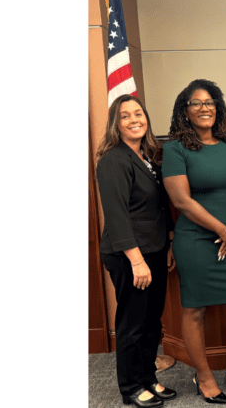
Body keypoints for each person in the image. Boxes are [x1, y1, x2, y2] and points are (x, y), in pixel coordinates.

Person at [162, 79, 226, 404]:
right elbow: (181, 201)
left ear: (218, 108)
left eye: (210, 102)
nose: (204, 108)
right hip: (196, 239)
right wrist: (221, 230)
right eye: (196, 103)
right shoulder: (175, 148)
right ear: (184, 111)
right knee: (194, 311)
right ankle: (204, 376)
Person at [96, 94, 177, 408]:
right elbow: (116, 216)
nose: (134, 120)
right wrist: (137, 261)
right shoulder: (113, 160)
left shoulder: (148, 155)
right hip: (130, 255)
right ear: (116, 123)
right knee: (132, 323)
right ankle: (130, 387)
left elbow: (159, 204)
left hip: (154, 249)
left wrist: (167, 242)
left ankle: (148, 378)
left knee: (151, 321)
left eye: (138, 114)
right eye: (126, 116)